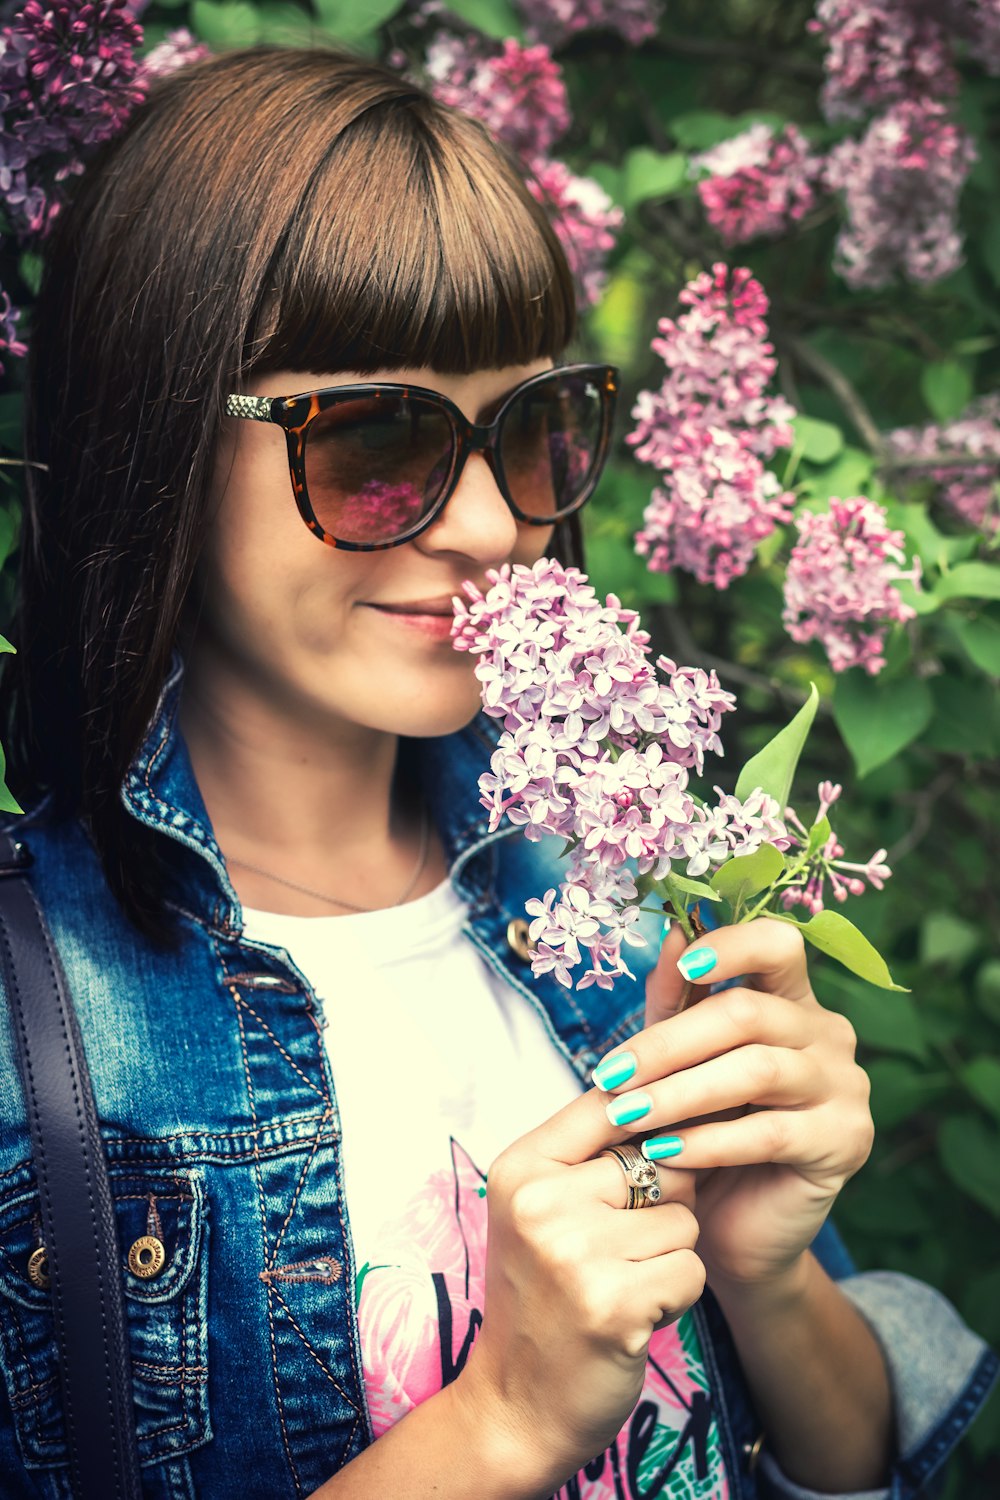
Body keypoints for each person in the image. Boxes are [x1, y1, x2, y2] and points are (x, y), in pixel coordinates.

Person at [0, 44, 994, 1500]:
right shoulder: (31, 1042)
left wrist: (770, 1277)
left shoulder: (614, 912)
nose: (483, 524)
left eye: (532, 430)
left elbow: (842, 1461)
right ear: (150, 441)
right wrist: (504, 1422)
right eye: (379, 441)